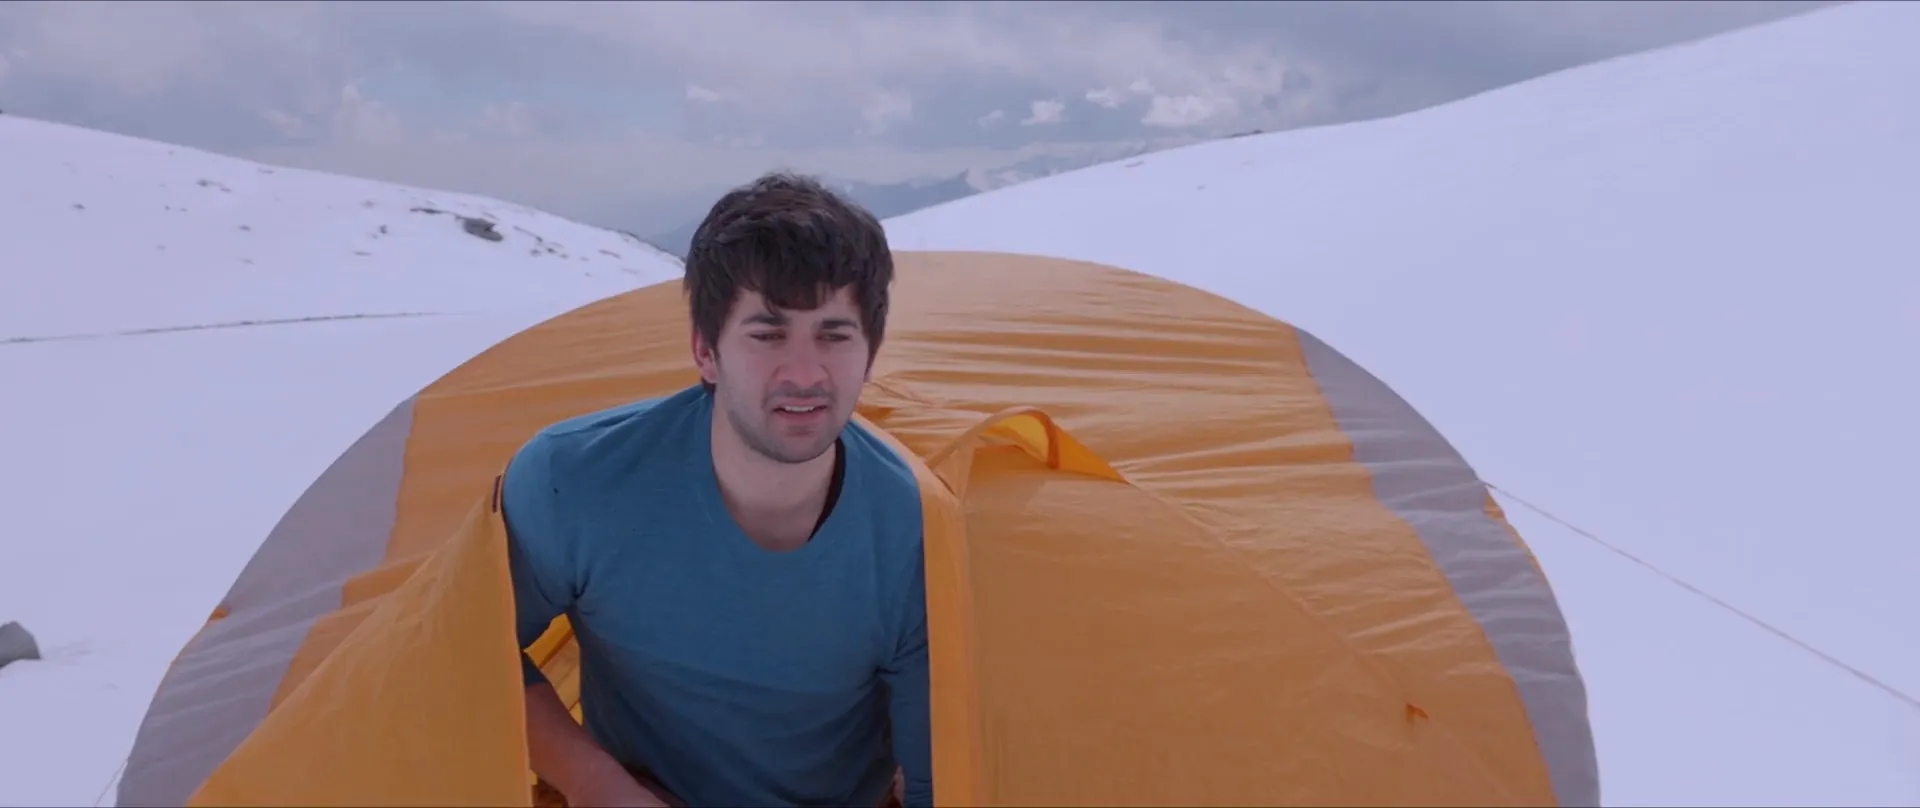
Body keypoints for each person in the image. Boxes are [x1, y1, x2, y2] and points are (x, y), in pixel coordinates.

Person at [501, 171, 933, 808]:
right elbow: (471, 645)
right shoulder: (573, 482)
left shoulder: (915, 529)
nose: (805, 373)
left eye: (834, 335)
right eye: (768, 334)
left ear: (870, 354)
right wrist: (595, 784)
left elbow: (938, 779)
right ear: (706, 351)